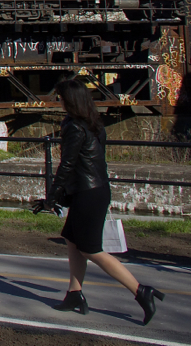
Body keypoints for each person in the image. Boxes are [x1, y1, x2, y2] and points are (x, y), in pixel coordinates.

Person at [35, 79, 164, 324]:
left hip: (87, 193)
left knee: (91, 249)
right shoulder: (94, 123)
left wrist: (51, 198)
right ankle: (74, 294)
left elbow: (68, 165)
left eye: (60, 97)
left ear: (69, 100)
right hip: (97, 189)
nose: (57, 101)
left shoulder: (73, 126)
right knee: (72, 239)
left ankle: (140, 291)